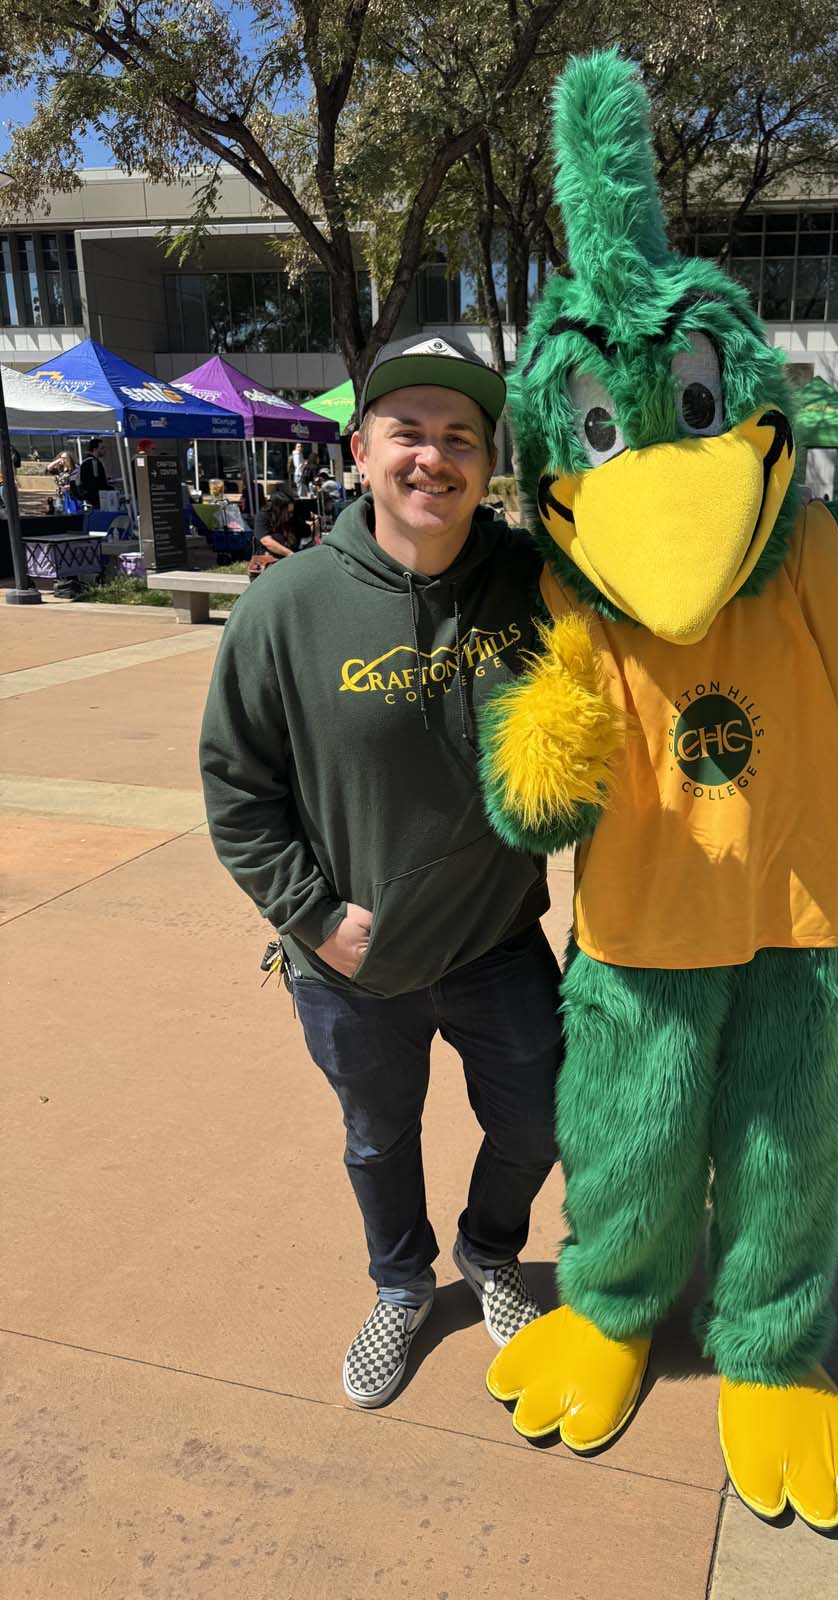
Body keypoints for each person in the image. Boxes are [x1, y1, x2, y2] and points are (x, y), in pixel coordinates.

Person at [199, 333, 561, 1411]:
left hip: (497, 941)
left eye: (461, 438)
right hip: (352, 960)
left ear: (487, 463)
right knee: (377, 1137)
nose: (433, 459)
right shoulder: (286, 608)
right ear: (361, 450)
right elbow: (237, 789)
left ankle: (491, 1251)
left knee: (543, 1120)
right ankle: (401, 1284)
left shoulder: (534, 588)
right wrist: (317, 920)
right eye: (408, 433)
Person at [76, 438, 108, 509]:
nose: (104, 450)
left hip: (93, 497)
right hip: (96, 498)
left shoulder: (87, 461)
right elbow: (94, 481)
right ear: (95, 449)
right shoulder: (93, 462)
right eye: (102, 448)